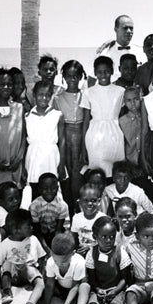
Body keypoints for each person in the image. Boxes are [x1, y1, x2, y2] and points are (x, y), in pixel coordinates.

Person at [79, 216, 132, 304]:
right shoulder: (91, 253)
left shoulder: (120, 252)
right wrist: (98, 289)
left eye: (112, 237)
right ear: (95, 237)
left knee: (119, 301)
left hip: (117, 288)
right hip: (100, 288)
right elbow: (92, 276)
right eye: (104, 237)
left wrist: (116, 290)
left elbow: (125, 278)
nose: (109, 240)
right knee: (93, 300)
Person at [80, 56, 125, 177]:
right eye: (99, 72)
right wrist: (83, 147)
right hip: (95, 136)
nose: (103, 74)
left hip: (115, 135)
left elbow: (122, 116)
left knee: (114, 171)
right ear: (95, 73)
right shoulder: (88, 92)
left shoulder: (120, 91)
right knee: (97, 171)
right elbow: (86, 120)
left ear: (111, 71)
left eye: (106, 71)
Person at [0, 210, 47, 304]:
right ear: (16, 230)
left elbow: (42, 258)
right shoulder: (5, 244)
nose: (32, 228)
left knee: (40, 282)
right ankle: (6, 291)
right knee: (7, 264)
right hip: (13, 275)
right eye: (28, 226)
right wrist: (1, 282)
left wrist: (41, 274)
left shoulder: (33, 239)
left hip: (28, 272)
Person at [53, 60, 87, 217]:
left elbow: (87, 121)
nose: (72, 79)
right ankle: (71, 214)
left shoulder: (85, 96)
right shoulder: (58, 98)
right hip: (64, 138)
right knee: (65, 177)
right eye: (68, 76)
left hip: (82, 138)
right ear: (63, 77)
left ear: (81, 77)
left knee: (79, 177)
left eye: (75, 76)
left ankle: (80, 212)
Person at [25, 81, 66, 199]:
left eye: (47, 95)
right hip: (33, 158)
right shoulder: (28, 116)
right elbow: (24, 143)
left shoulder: (57, 115)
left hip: (51, 158)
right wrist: (23, 166)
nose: (44, 98)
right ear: (34, 95)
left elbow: (62, 141)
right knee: (35, 189)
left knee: (51, 189)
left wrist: (62, 164)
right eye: (40, 94)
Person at [41, 233, 90, 304]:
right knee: (44, 284)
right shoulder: (50, 262)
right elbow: (50, 284)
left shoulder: (79, 262)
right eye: (56, 260)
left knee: (85, 287)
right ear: (51, 253)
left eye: (64, 262)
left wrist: (66, 303)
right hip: (62, 289)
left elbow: (75, 285)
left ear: (73, 254)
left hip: (76, 288)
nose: (59, 264)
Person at [95, 15, 146, 81]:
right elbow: (92, 79)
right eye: (125, 28)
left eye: (131, 28)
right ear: (116, 29)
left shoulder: (142, 52)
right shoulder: (105, 54)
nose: (129, 31)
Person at [29, 173, 68, 249]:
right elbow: (37, 230)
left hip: (55, 232)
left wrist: (55, 246)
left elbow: (58, 230)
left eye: (52, 188)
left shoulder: (62, 205)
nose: (49, 191)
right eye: (45, 188)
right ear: (39, 189)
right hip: (40, 234)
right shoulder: (34, 206)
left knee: (66, 237)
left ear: (57, 188)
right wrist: (46, 248)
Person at [71, 183, 106, 257]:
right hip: (82, 252)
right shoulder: (76, 218)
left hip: (99, 253)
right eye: (85, 200)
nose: (89, 203)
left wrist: (91, 248)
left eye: (93, 200)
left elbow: (106, 241)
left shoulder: (103, 219)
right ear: (80, 201)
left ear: (99, 201)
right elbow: (74, 238)